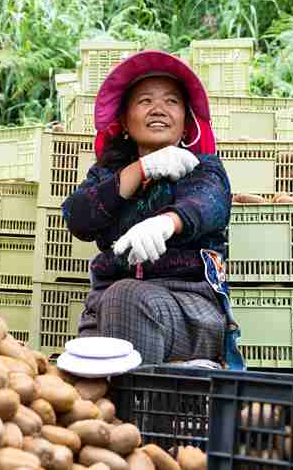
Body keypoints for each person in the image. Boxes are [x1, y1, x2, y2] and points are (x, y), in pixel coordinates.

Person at [62, 50, 244, 370]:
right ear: (125, 123)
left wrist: (166, 222)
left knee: (125, 297)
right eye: (145, 101)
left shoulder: (204, 168)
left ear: (186, 123)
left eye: (172, 101)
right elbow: (78, 217)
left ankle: (144, 407)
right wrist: (142, 168)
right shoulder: (106, 177)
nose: (158, 109)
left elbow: (208, 203)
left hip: (190, 311)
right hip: (107, 310)